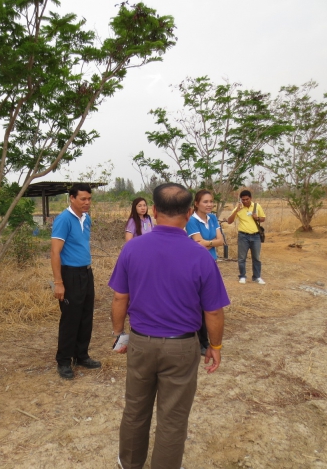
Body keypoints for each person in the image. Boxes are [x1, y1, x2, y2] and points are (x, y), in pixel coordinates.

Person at [109, 183, 229, 469]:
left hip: (140, 343)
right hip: (182, 347)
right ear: (189, 213)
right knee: (173, 418)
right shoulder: (200, 255)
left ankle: (129, 463)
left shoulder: (132, 248)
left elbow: (119, 297)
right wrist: (215, 346)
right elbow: (213, 311)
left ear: (153, 210)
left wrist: (119, 334)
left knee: (135, 409)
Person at [50, 183, 101, 379]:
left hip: (86, 272)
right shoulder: (64, 220)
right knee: (71, 318)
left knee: (86, 315)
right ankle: (64, 361)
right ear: (72, 198)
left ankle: (81, 355)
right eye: (83, 199)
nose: (87, 202)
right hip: (70, 274)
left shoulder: (86, 218)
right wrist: (58, 282)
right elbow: (55, 252)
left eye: (89, 199)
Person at [185, 189, 225, 355]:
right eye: (205, 202)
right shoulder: (192, 221)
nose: (209, 205)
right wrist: (212, 242)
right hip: (197, 266)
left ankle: (204, 340)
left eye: (211, 201)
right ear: (196, 203)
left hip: (211, 263)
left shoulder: (213, 218)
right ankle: (201, 341)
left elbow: (221, 241)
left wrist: (207, 242)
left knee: (209, 303)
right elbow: (198, 244)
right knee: (199, 305)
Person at [226, 189, 266, 284]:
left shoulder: (256, 206)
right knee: (241, 258)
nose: (245, 201)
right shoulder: (239, 208)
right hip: (243, 236)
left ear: (250, 198)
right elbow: (229, 221)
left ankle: (257, 277)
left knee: (256, 258)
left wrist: (257, 218)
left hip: (256, 236)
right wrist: (236, 211)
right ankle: (242, 276)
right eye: (243, 199)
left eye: (247, 199)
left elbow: (263, 218)